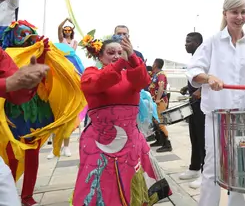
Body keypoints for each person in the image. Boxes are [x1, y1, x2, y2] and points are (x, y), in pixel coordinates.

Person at [186, 0, 245, 206]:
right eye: (234, 12)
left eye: (243, 12)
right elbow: (193, 70)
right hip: (217, 119)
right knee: (213, 168)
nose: (239, 17)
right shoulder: (212, 42)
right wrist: (208, 77)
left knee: (241, 167)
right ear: (225, 14)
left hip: (243, 119)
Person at [72, 35, 171, 205]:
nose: (117, 56)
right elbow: (98, 84)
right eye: (111, 53)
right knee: (102, 183)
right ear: (100, 56)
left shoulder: (130, 76)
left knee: (131, 180)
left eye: (121, 52)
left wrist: (132, 57)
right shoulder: (91, 73)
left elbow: (143, 81)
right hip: (99, 143)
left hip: (130, 142)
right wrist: (119, 65)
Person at [0, 20, 86, 206]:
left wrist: (43, 56)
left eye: (29, 34)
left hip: (34, 111)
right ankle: (9, 193)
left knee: (33, 153)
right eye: (21, 34)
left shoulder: (37, 52)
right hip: (10, 112)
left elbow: (43, 79)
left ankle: (26, 196)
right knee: (11, 154)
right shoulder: (6, 54)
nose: (26, 39)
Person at [0, 49, 49, 206]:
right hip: (10, 119)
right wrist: (7, 84)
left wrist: (27, 82)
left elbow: (17, 92)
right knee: (12, 155)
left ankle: (26, 195)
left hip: (29, 117)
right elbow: (9, 82)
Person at [46, 17, 78, 157]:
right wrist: (66, 20)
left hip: (70, 71)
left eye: (69, 30)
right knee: (55, 117)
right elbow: (59, 28)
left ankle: (66, 147)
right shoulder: (60, 41)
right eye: (65, 30)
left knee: (68, 117)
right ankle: (55, 148)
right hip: (59, 71)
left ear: (71, 32)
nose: (66, 31)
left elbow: (73, 56)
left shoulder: (74, 43)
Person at [179, 32, 205, 189]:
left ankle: (205, 173)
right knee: (194, 136)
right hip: (194, 104)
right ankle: (194, 167)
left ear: (197, 43)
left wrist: (201, 91)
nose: (185, 44)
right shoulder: (194, 57)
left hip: (204, 105)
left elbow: (212, 77)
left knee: (203, 139)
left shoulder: (205, 55)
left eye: (188, 41)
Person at [148, 59, 172, 153]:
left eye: (153, 63)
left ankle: (167, 144)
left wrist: (158, 99)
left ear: (156, 64)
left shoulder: (161, 74)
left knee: (160, 122)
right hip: (155, 101)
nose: (152, 64)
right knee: (155, 121)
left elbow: (161, 87)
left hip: (160, 101)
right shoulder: (155, 74)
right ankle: (159, 140)